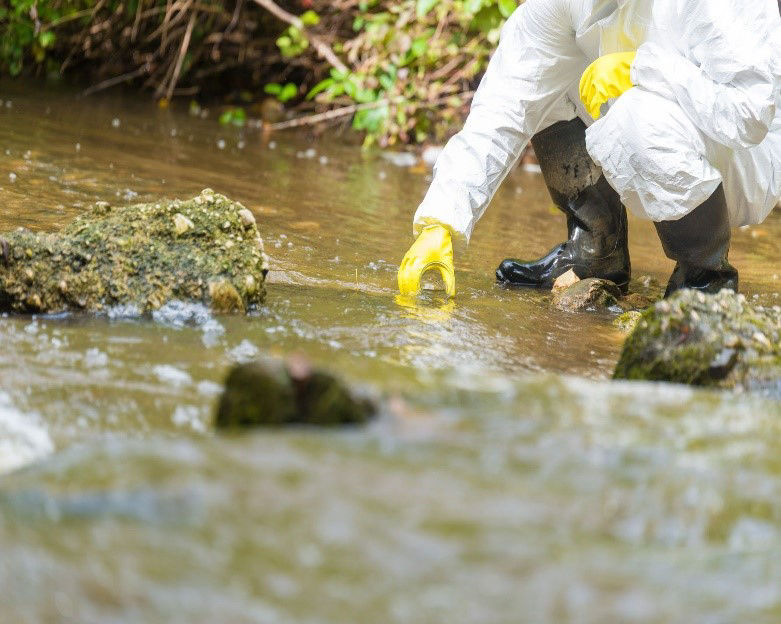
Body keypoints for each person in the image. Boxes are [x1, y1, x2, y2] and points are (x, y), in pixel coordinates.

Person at [397, 0, 781, 299]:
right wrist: (441, 221)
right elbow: (506, 101)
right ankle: (596, 252)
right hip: (654, 119)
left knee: (636, 115)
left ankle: (704, 281)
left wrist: (641, 70)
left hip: (742, 157)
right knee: (541, 86)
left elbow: (750, 113)